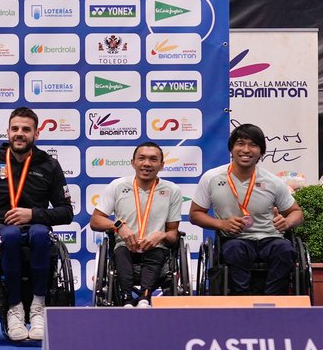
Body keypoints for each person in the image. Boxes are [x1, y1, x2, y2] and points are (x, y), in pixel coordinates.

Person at [0, 106, 73, 341]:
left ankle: (38, 306)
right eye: (15, 129)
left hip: (35, 231)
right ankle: (14, 308)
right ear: (8, 132)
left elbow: (66, 213)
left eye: (26, 129)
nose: (19, 134)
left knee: (41, 233)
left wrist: (33, 214)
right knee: (10, 234)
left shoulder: (49, 165)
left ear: (36, 134)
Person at [190, 123, 304, 295]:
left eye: (253, 145)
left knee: (285, 250)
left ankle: (273, 300)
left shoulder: (273, 181)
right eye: (240, 143)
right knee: (235, 250)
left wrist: (287, 222)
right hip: (235, 239)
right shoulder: (211, 178)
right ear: (231, 148)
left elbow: (297, 213)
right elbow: (195, 214)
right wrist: (222, 224)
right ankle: (242, 300)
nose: (246, 149)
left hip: (270, 238)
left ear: (261, 151)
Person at [89, 142, 182, 307]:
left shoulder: (172, 190)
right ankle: (126, 298)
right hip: (125, 247)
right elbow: (95, 221)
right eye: (142, 158)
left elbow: (173, 234)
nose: (147, 163)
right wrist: (118, 226)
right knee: (121, 252)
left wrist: (162, 235)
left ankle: (144, 298)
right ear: (133, 163)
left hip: (155, 248)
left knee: (157, 253)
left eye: (153, 159)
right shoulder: (117, 186)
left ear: (161, 165)